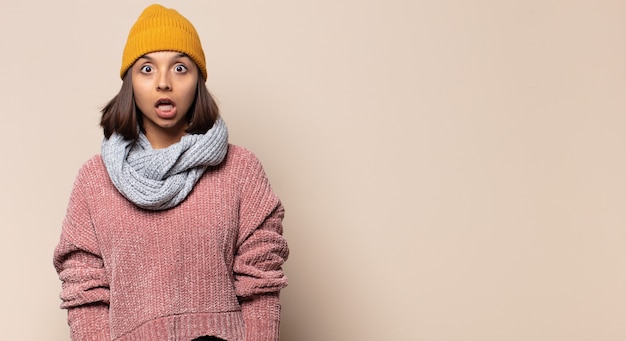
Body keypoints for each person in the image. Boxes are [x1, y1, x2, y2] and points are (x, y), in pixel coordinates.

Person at [52, 4, 289, 341]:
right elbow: (85, 290)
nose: (164, 82)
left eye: (180, 67)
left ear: (198, 81)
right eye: (147, 69)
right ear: (130, 83)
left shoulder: (241, 170)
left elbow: (261, 282)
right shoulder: (95, 180)